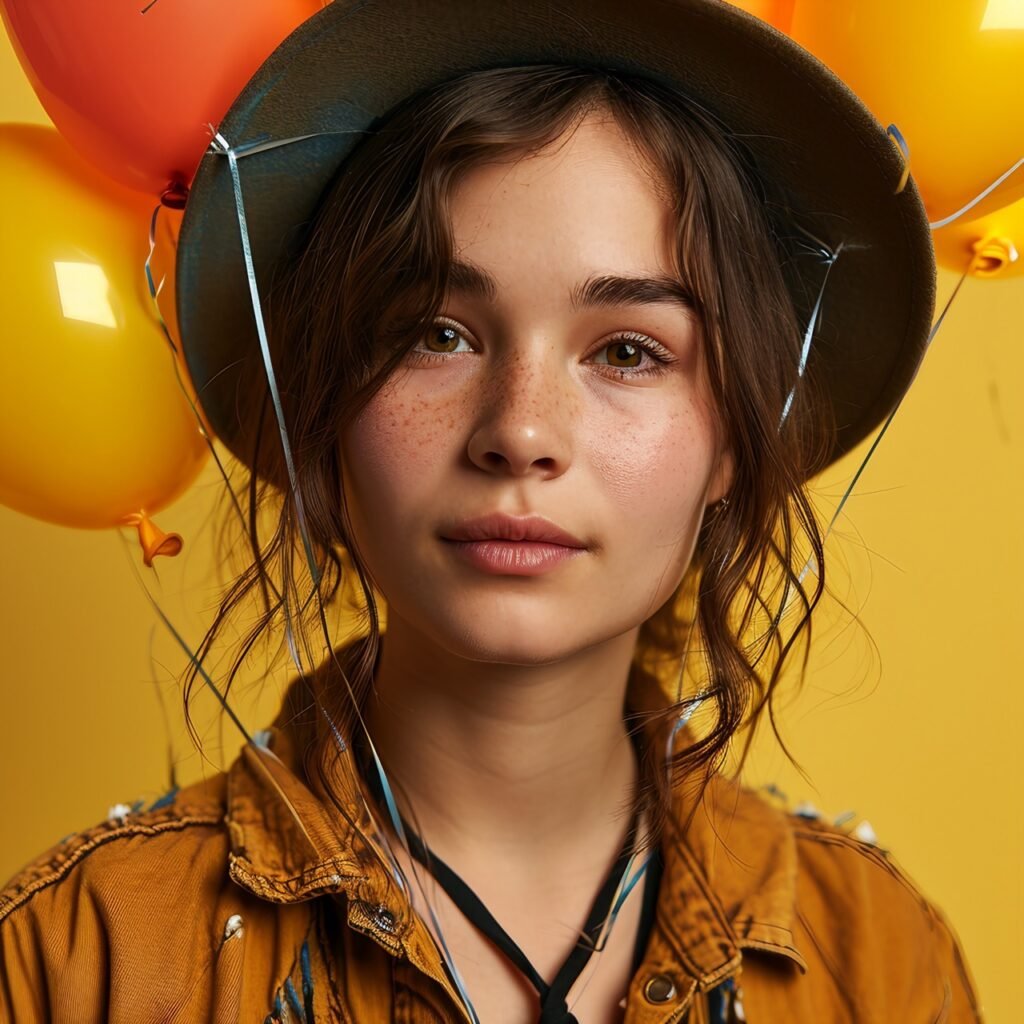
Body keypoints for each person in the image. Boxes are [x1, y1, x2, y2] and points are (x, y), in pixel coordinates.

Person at [0, 1, 982, 1021]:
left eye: (627, 351)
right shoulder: (84, 958)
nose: (520, 431)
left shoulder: (876, 960)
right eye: (436, 332)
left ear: (734, 433)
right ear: (326, 398)